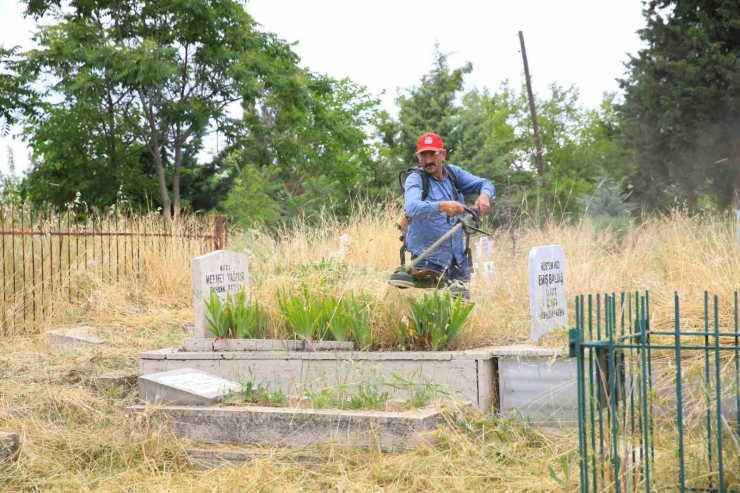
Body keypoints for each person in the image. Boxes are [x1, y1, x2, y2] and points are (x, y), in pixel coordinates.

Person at [402, 132, 495, 296]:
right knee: (432, 316)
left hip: (457, 260)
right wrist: (441, 206)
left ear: (443, 154)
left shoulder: (453, 174)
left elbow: (485, 183)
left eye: (433, 154)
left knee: (461, 313)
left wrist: (485, 195)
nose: (429, 160)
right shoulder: (415, 179)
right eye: (424, 155)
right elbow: (411, 207)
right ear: (418, 157)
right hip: (427, 261)